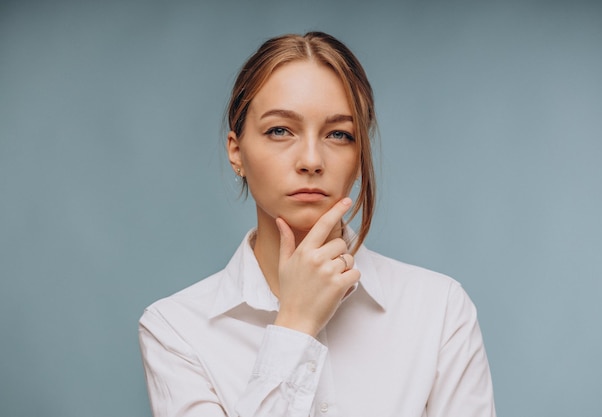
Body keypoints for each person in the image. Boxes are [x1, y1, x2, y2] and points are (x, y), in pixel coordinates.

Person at [139, 31, 496, 417]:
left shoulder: (439, 310)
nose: (311, 159)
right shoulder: (174, 330)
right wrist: (295, 323)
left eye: (339, 134)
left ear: (360, 157)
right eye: (280, 130)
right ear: (236, 151)